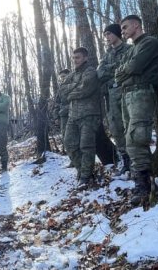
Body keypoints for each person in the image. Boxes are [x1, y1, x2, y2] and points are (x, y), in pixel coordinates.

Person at [114, 14, 158, 206]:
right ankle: (143, 178)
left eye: (125, 27)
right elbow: (118, 75)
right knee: (130, 137)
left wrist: (125, 71)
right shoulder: (131, 49)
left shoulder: (149, 42)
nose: (123, 31)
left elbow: (135, 66)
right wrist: (124, 71)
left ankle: (143, 185)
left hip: (142, 93)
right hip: (128, 95)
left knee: (136, 138)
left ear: (136, 25)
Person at [65, 47, 102, 185]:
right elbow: (62, 90)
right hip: (73, 115)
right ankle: (82, 170)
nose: (75, 60)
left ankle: (86, 177)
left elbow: (86, 89)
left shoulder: (90, 71)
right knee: (69, 144)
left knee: (86, 146)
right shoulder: (72, 74)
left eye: (78, 57)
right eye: (73, 58)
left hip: (89, 114)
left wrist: (71, 92)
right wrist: (74, 87)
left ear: (85, 58)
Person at [96, 23, 130, 173]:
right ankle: (126, 159)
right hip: (110, 96)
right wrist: (115, 70)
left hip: (126, 93)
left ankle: (137, 161)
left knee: (130, 127)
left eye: (109, 34)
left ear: (117, 34)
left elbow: (127, 69)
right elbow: (99, 73)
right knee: (116, 129)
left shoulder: (129, 50)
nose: (107, 37)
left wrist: (112, 71)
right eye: (105, 35)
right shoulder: (107, 55)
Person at [54, 69, 73, 140]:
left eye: (64, 76)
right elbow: (57, 103)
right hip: (64, 115)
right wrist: (56, 117)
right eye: (61, 77)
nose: (62, 78)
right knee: (65, 135)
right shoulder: (60, 89)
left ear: (69, 75)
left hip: (75, 113)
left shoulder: (74, 85)